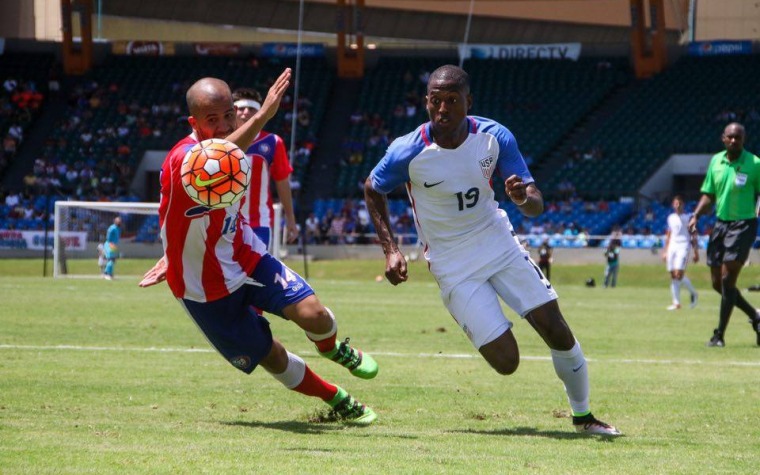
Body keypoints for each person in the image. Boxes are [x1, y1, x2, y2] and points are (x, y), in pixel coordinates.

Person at [364, 64, 619, 436]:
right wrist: (390, 249)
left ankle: (583, 417)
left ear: (469, 101)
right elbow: (373, 188)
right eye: (436, 101)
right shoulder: (407, 150)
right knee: (506, 362)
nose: (443, 109)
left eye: (453, 100)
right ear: (426, 102)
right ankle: (479, 315)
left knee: (556, 329)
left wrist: (521, 197)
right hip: (451, 263)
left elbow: (535, 203)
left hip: (497, 241)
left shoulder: (494, 136)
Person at [138, 70, 378, 424]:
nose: (222, 126)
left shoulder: (236, 152)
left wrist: (170, 249)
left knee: (314, 314)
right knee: (273, 356)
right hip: (204, 287)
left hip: (244, 254)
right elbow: (218, 159)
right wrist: (264, 113)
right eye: (212, 120)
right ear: (193, 122)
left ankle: (332, 348)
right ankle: (337, 398)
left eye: (228, 116)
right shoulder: (184, 159)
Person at [689, 122, 760, 347]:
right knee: (717, 283)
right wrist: (696, 216)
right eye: (729, 137)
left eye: (737, 137)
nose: (733, 141)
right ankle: (756, 316)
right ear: (723, 138)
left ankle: (719, 335)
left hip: (744, 225)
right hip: (721, 225)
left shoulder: (755, 163)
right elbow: (709, 194)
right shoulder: (716, 162)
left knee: (729, 280)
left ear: (743, 139)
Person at [232, 88, 299, 252]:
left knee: (255, 275)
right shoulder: (219, 141)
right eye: (240, 108)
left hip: (259, 223)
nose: (245, 112)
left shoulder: (272, 142)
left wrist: (290, 219)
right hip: (223, 225)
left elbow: (282, 182)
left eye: (252, 109)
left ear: (260, 113)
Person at [662, 195, 699, 310]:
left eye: (679, 203)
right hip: (673, 246)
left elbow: (694, 235)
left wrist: (696, 252)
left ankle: (694, 293)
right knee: (673, 275)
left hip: (684, 246)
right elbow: (668, 234)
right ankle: (676, 303)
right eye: (675, 204)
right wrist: (665, 251)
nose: (677, 206)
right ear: (673, 205)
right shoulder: (671, 218)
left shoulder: (689, 217)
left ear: (683, 204)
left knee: (679, 274)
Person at [103, 216, 121, 280]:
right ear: (115, 221)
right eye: (118, 221)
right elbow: (108, 237)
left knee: (113, 260)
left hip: (114, 245)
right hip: (110, 245)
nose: (120, 222)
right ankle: (106, 273)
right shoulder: (112, 228)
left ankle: (110, 273)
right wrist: (111, 243)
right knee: (111, 259)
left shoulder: (118, 228)